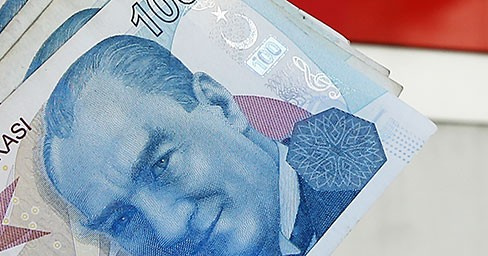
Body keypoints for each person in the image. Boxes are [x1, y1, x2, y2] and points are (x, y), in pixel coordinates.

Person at [42, 35, 384, 256]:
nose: (168, 229)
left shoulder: (373, 167)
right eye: (121, 220)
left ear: (220, 104)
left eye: (161, 164)